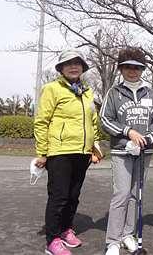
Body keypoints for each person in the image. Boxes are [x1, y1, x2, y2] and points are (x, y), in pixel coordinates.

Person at [34, 49, 102, 255]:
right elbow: (41, 122)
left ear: (82, 67)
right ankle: (52, 239)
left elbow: (93, 122)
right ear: (61, 68)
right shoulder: (52, 89)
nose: (73, 66)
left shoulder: (87, 91)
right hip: (60, 152)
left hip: (82, 153)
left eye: (77, 63)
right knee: (59, 196)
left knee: (73, 196)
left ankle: (65, 229)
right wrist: (42, 153)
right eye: (68, 63)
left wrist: (95, 148)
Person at [100, 47, 153, 255]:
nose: (132, 71)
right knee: (121, 194)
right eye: (127, 67)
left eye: (137, 67)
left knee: (136, 195)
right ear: (121, 69)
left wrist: (150, 137)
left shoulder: (151, 93)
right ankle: (113, 241)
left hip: (144, 153)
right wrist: (128, 132)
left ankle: (128, 234)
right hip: (121, 152)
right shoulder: (115, 92)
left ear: (142, 69)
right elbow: (105, 119)